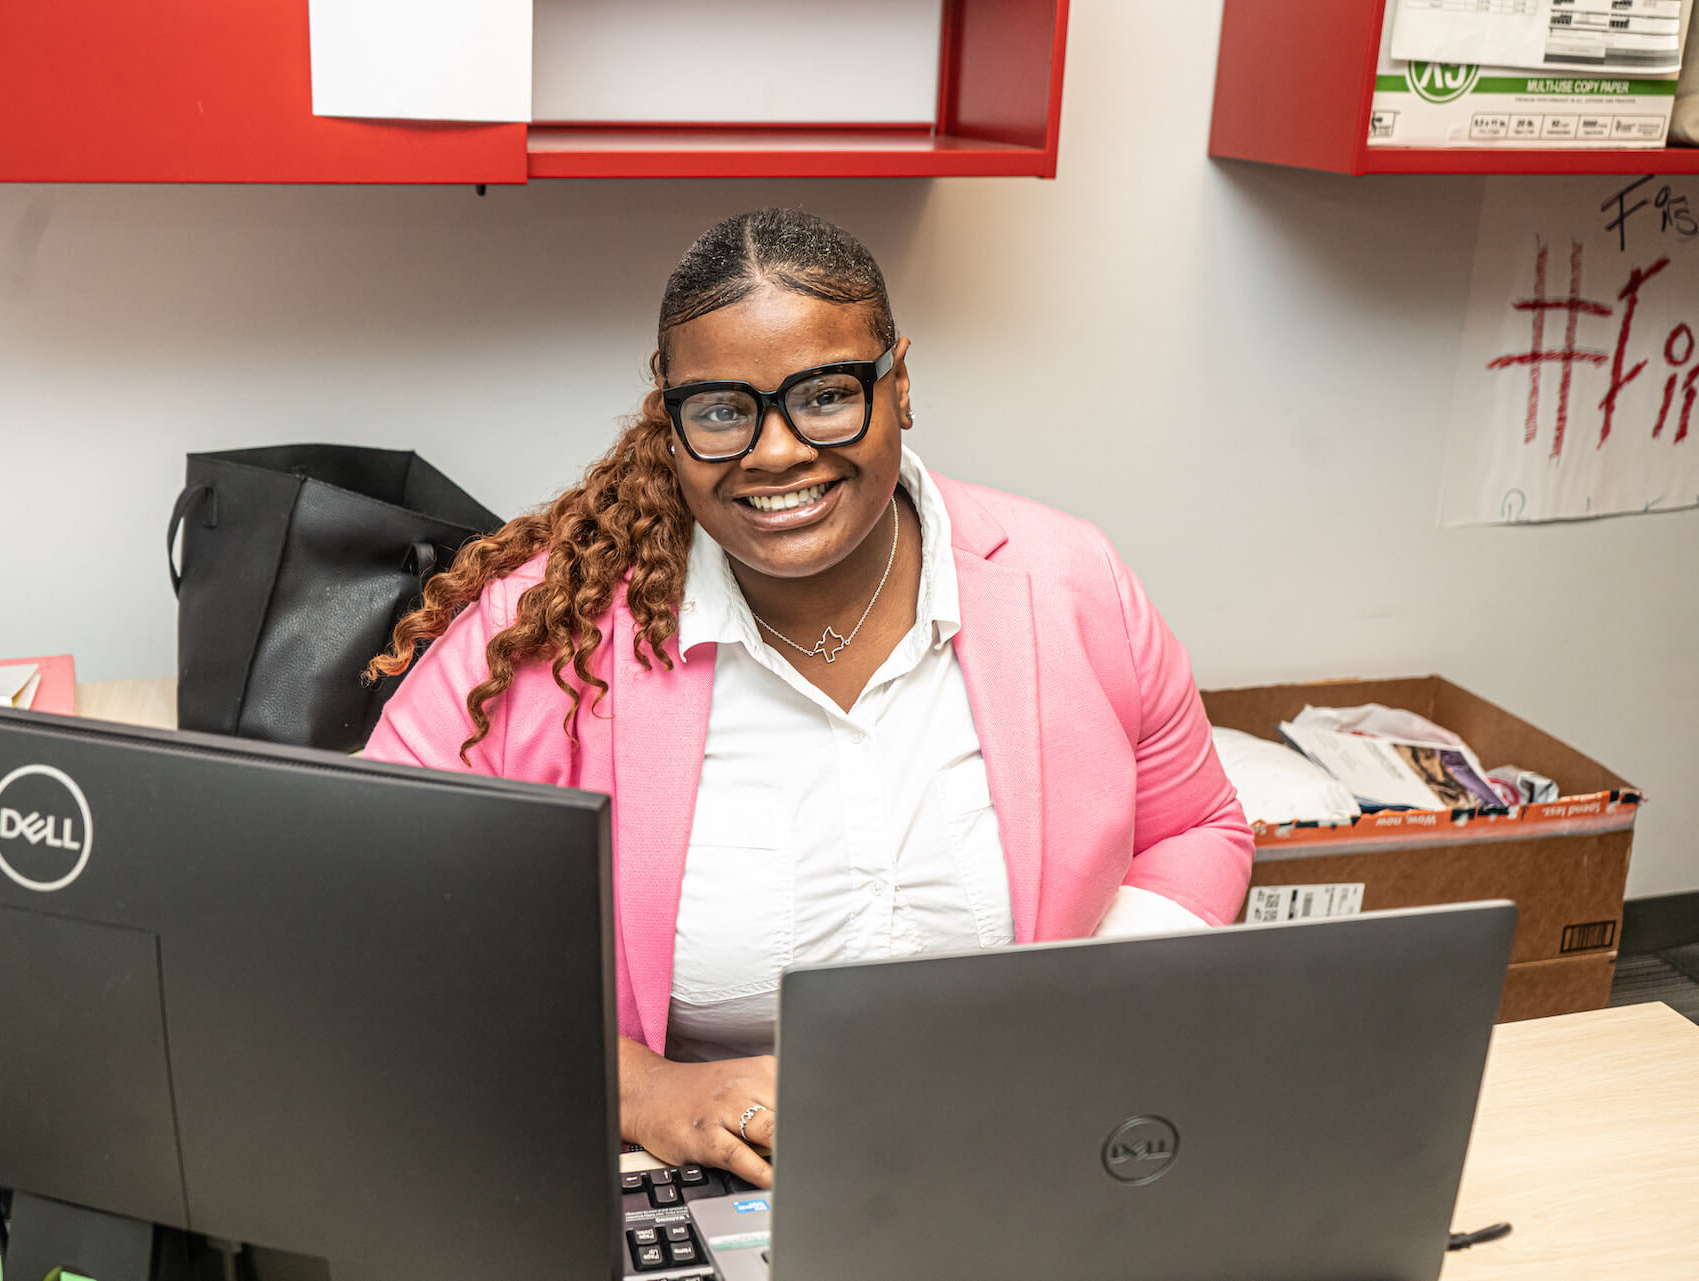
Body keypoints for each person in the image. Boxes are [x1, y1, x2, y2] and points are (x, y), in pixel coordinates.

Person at [362, 208, 1253, 1188]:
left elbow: (1195, 830)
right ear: (671, 416)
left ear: (899, 384)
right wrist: (642, 1090)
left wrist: (1084, 1019)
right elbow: (379, 911)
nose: (777, 451)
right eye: (721, 409)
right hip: (715, 1190)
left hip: (1025, 1156)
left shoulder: (1069, 581)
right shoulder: (547, 639)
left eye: (827, 396)